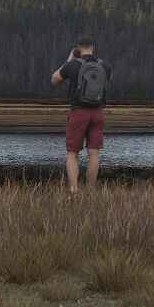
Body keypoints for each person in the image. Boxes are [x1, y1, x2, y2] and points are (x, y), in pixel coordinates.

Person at [51, 36, 111, 196]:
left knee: (72, 153)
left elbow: (54, 79)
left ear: (77, 48)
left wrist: (69, 59)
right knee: (94, 153)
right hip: (98, 113)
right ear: (93, 47)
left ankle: (74, 190)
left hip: (78, 112)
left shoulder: (73, 64)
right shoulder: (104, 66)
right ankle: (91, 191)